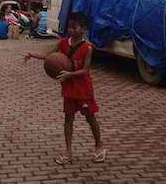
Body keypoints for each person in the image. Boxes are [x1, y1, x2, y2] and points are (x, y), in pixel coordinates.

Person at [24, 12, 105, 165]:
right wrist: (32, 54)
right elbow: (49, 56)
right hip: (68, 88)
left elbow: (86, 70)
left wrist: (69, 74)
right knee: (68, 119)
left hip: (83, 89)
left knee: (90, 117)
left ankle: (99, 146)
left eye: (75, 27)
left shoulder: (88, 48)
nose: (72, 30)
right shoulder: (62, 43)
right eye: (70, 27)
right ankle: (68, 151)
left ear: (84, 29)